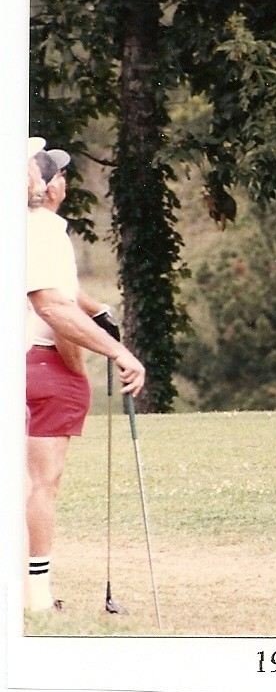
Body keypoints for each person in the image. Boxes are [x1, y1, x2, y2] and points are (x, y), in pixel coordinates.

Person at [25, 142, 146, 612]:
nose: (63, 179)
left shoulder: (24, 230)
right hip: (44, 366)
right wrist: (110, 354)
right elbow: (55, 309)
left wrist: (99, 311)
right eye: (56, 173)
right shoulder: (47, 233)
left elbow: (69, 294)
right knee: (42, 483)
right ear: (49, 188)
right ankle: (37, 596)